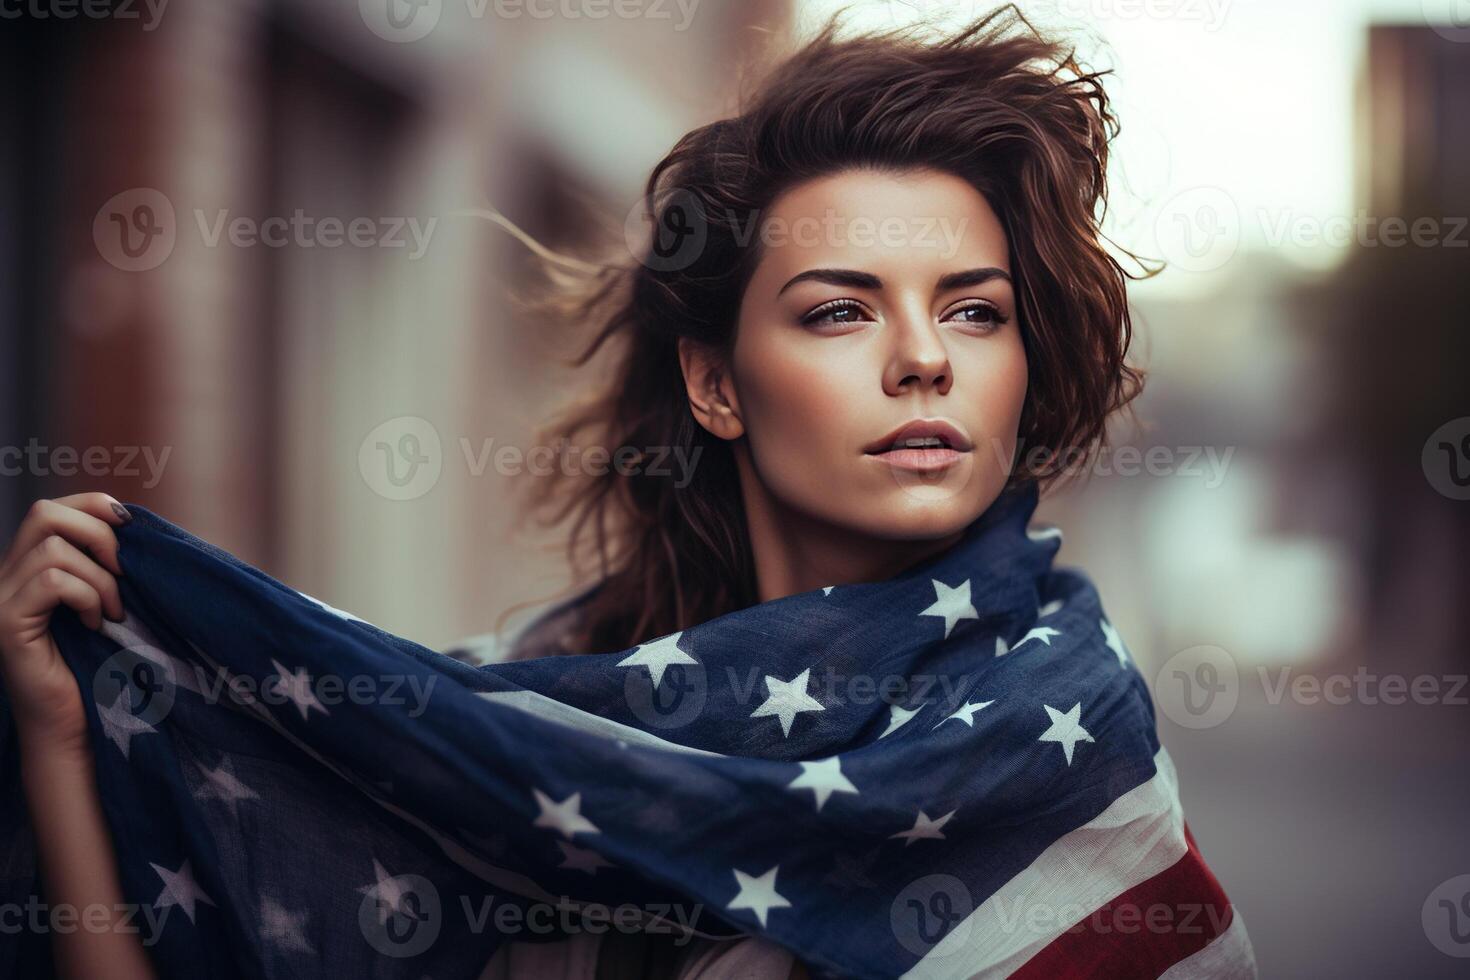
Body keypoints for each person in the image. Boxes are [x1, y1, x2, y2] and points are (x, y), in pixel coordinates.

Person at [0, 6, 1155, 977]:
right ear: (716, 384)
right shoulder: (515, 729)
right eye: (840, 309)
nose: (924, 358)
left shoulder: (1072, 742)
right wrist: (61, 739)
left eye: (975, 309)